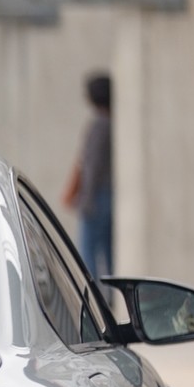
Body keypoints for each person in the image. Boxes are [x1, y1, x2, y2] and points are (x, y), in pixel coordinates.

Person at [63, 72, 113, 278]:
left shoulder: (99, 125)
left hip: (97, 195)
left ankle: (92, 296)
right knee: (108, 250)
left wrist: (86, 199)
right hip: (109, 195)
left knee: (87, 251)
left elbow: (91, 165)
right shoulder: (113, 122)